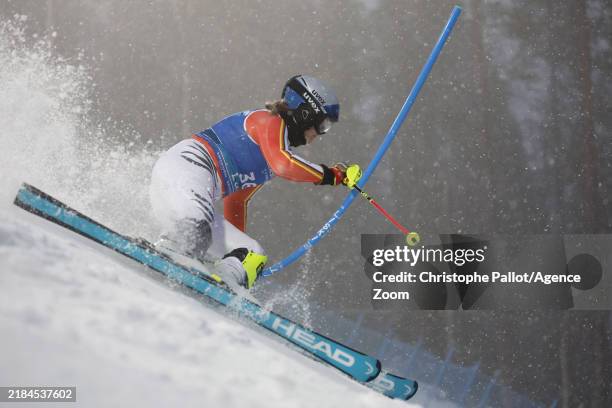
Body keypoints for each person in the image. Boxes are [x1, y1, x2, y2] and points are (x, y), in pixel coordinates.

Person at [149, 75, 362, 289]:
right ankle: (171, 249)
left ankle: (221, 283)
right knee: (197, 233)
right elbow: (284, 165)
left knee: (251, 254)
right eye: (322, 125)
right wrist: (333, 175)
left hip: (192, 198)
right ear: (305, 114)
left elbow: (236, 201)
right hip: (186, 169)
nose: (320, 134)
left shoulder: (270, 156)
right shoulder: (269, 121)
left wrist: (228, 252)